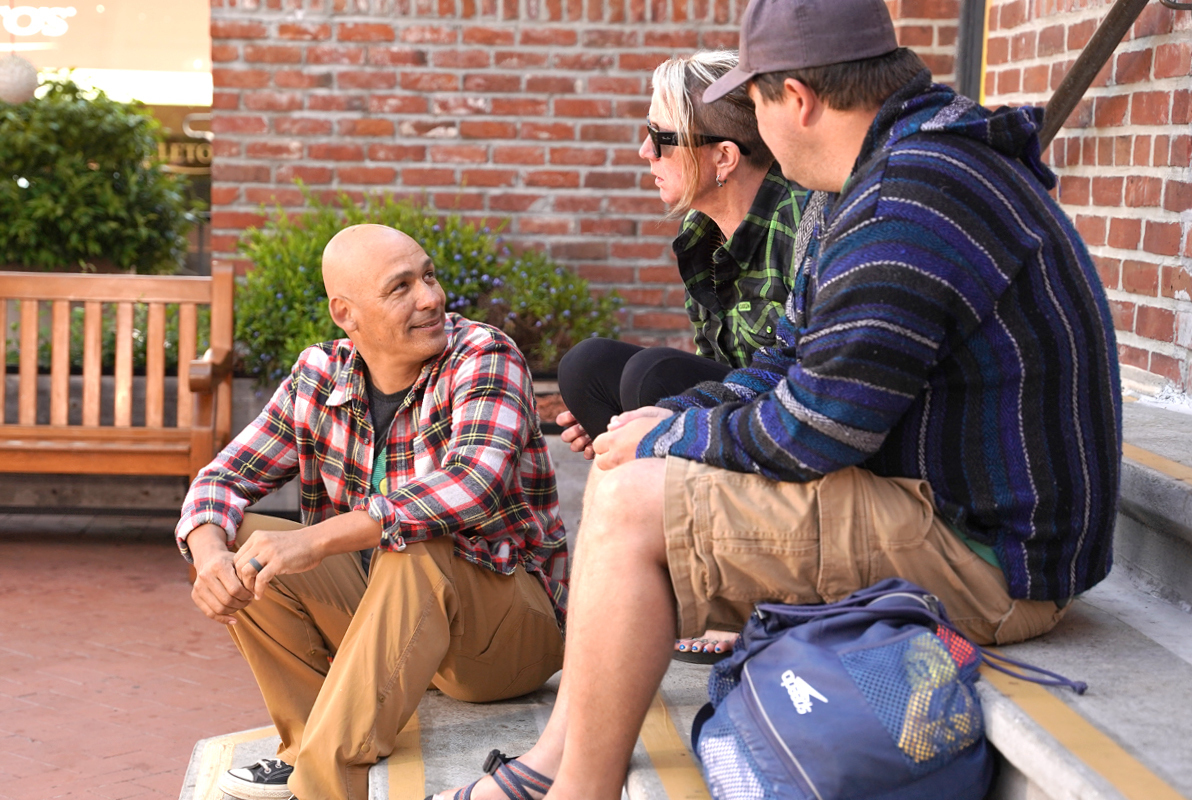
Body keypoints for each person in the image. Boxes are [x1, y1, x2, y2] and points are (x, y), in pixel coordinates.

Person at [428, 0, 1122, 798]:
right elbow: (788, 360)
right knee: (638, 466)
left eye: (752, 99)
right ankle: (553, 765)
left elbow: (814, 430)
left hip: (995, 562)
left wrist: (667, 443)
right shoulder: (877, 176)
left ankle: (575, 787)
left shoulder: (909, 201)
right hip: (950, 509)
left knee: (629, 504)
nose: (750, 124)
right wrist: (675, 421)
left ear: (796, 98)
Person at [177, 224, 567, 800]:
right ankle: (308, 740)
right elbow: (222, 479)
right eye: (401, 288)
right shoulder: (320, 374)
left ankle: (325, 779)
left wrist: (319, 539)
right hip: (393, 623)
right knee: (244, 545)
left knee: (421, 540)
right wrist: (210, 558)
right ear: (346, 313)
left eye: (428, 276)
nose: (431, 297)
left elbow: (470, 486)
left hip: (505, 637)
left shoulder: (484, 354)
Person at [556, 50, 808, 661]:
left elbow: (794, 377)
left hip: (789, 435)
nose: (645, 152)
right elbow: (713, 363)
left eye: (662, 138)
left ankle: (731, 594)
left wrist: (660, 419)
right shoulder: (700, 234)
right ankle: (657, 571)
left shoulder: (801, 222)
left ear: (723, 156)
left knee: (652, 376)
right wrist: (625, 429)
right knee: (586, 367)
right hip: (736, 415)